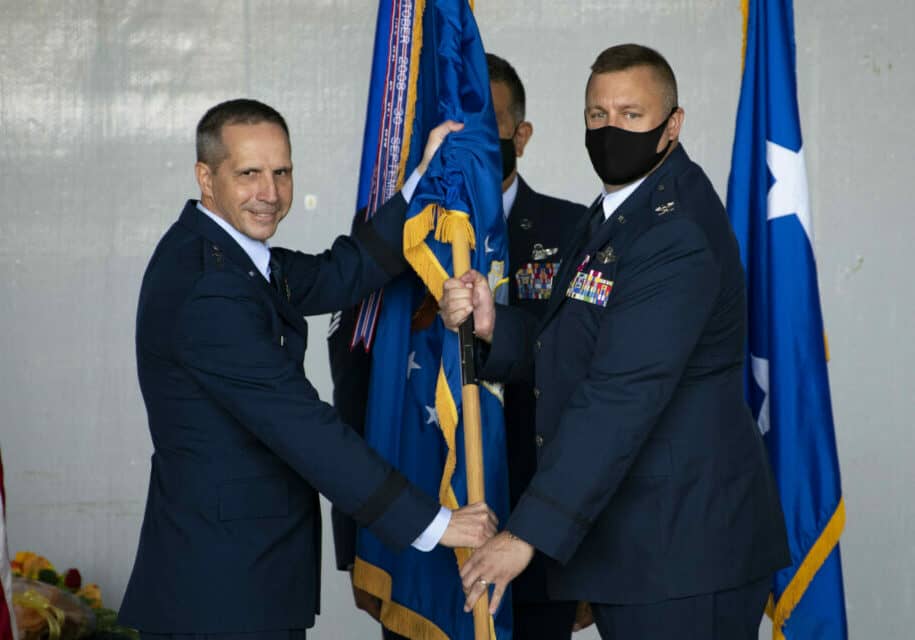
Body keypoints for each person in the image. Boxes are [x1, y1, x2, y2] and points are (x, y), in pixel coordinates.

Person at [441, 44, 791, 639]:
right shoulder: (619, 211)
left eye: (632, 114)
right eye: (597, 115)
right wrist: (494, 325)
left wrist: (527, 533)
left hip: (684, 552)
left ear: (672, 124)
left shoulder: (674, 230)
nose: (611, 129)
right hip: (643, 547)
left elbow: (621, 392)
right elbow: (582, 341)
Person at [119, 99, 497, 640]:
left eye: (281, 172)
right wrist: (434, 523)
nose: (269, 193)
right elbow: (302, 426)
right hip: (222, 593)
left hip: (238, 575)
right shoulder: (210, 286)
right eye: (248, 173)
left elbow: (338, 273)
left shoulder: (227, 254)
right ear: (206, 177)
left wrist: (421, 182)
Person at [326, 54, 589, 640]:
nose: (466, 142)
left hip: (536, 525)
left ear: (520, 134)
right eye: (453, 127)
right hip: (424, 526)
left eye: (485, 125)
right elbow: (358, 379)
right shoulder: (401, 238)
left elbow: (589, 379)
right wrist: (360, 529)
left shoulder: (574, 230)